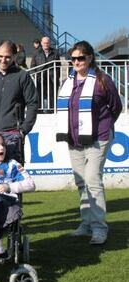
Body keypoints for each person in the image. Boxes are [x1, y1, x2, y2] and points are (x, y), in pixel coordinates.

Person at [56, 41, 122, 245]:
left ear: (90, 58)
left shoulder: (103, 80)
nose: (76, 61)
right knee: (81, 182)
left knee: (93, 180)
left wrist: (104, 126)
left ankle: (99, 228)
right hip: (74, 139)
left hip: (98, 138)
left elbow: (116, 107)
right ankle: (85, 224)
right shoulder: (69, 81)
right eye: (73, 58)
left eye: (80, 58)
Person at [30, 36, 60, 113]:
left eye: (47, 43)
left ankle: (51, 110)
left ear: (50, 43)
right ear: (41, 43)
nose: (46, 44)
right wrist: (35, 75)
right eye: (44, 43)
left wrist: (56, 76)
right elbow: (32, 66)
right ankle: (39, 111)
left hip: (51, 78)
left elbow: (58, 66)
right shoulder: (36, 52)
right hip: (40, 78)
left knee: (52, 95)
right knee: (39, 95)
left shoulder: (55, 52)